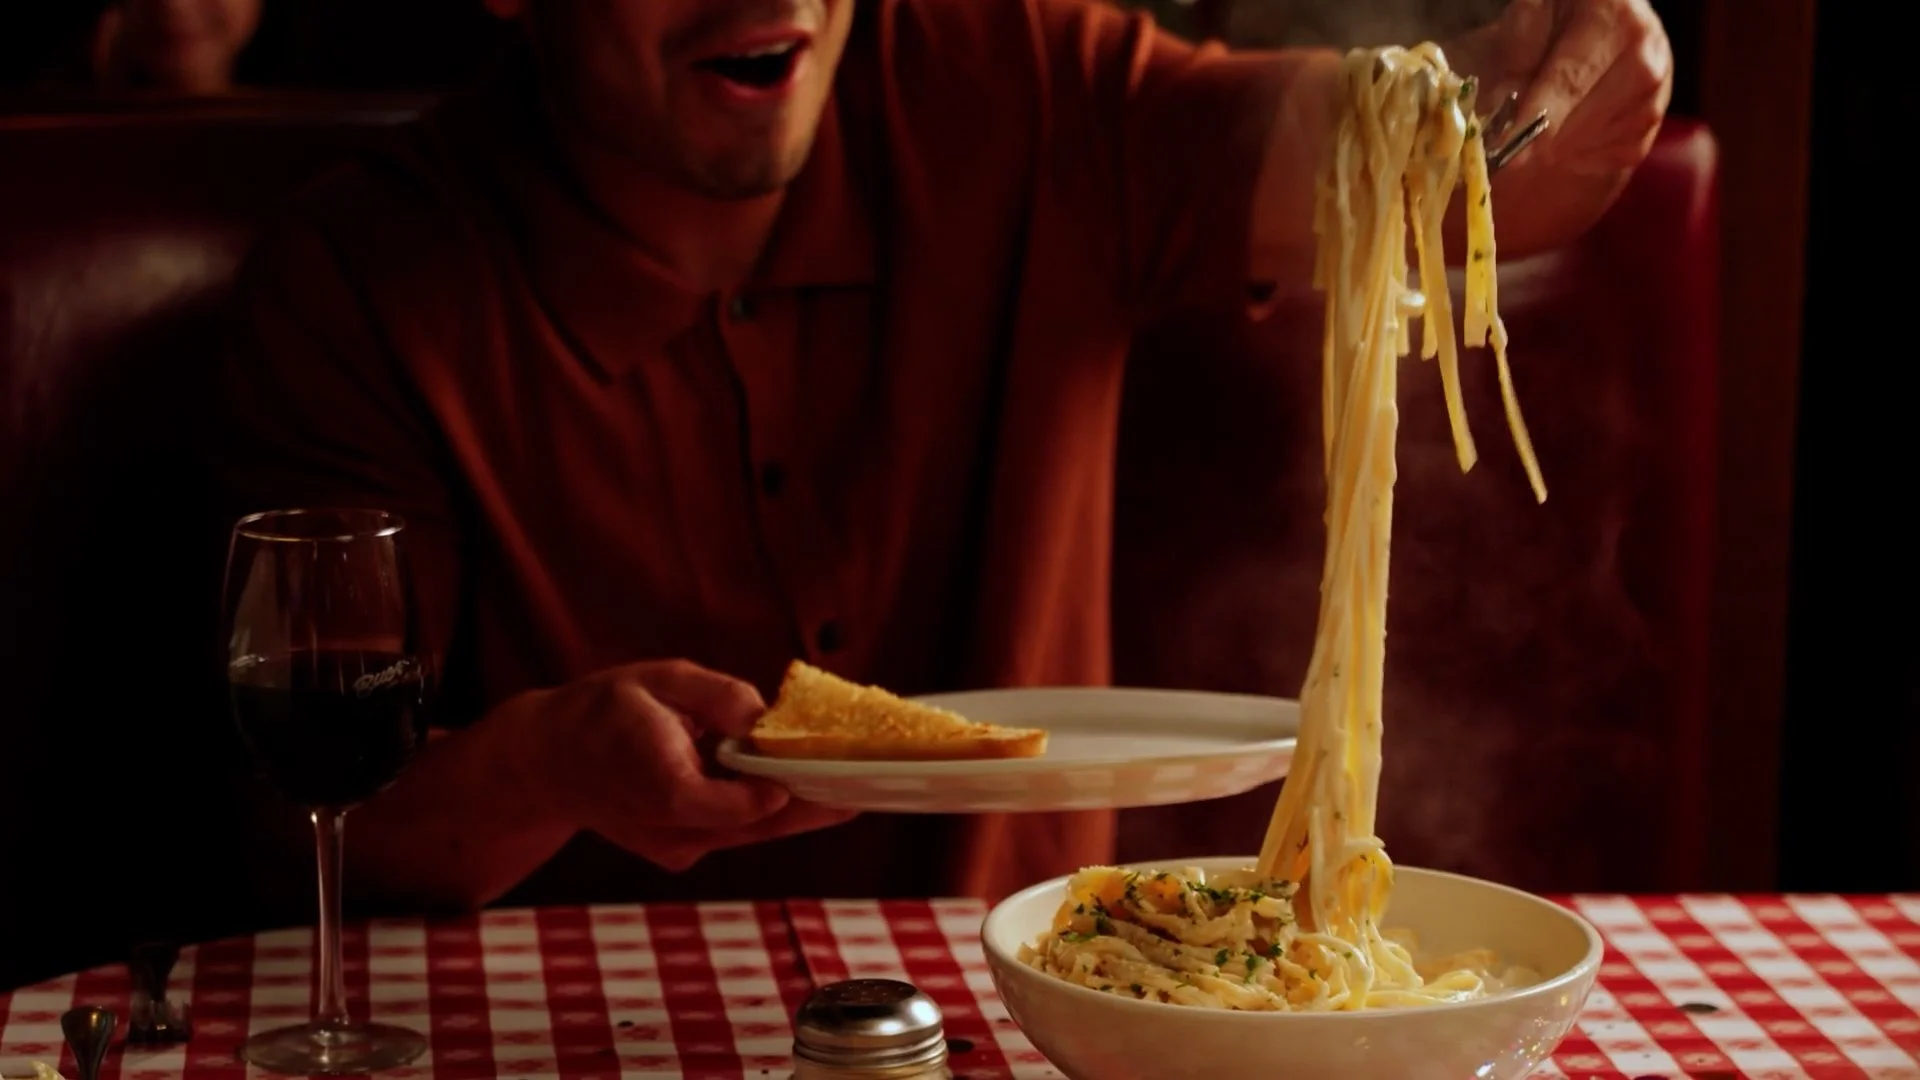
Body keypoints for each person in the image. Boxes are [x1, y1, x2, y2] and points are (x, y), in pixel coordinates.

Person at [211, 0, 1672, 916]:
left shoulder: (1020, 81)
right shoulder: (364, 280)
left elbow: (1445, 171)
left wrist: (1546, 83)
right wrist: (547, 764)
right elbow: (311, 837)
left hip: (1052, 1009)